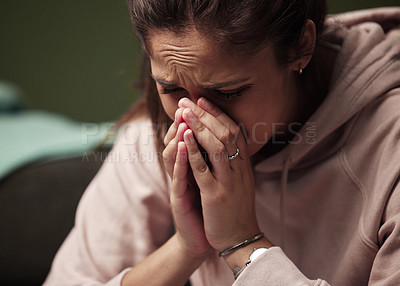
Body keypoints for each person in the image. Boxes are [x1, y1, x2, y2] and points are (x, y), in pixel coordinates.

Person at [44, 1, 400, 285]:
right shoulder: (159, 133)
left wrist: (242, 244)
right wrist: (186, 248)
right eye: (172, 89)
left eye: (229, 92)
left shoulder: (390, 144)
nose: (197, 119)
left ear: (300, 47)